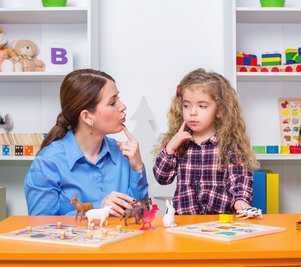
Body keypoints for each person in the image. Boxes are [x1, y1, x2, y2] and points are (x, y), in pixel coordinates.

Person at [24, 69, 148, 216]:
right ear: (87, 117)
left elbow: (140, 215)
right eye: (113, 102)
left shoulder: (123, 154)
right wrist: (97, 209)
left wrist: (137, 168)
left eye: (118, 98)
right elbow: (40, 226)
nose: (122, 106)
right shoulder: (48, 162)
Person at [153, 68, 258, 215]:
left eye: (202, 106)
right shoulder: (180, 143)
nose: (192, 112)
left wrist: (240, 199)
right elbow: (162, 178)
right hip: (184, 222)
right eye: (186, 105)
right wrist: (170, 147)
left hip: (219, 223)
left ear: (220, 110)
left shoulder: (229, 144)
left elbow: (239, 178)